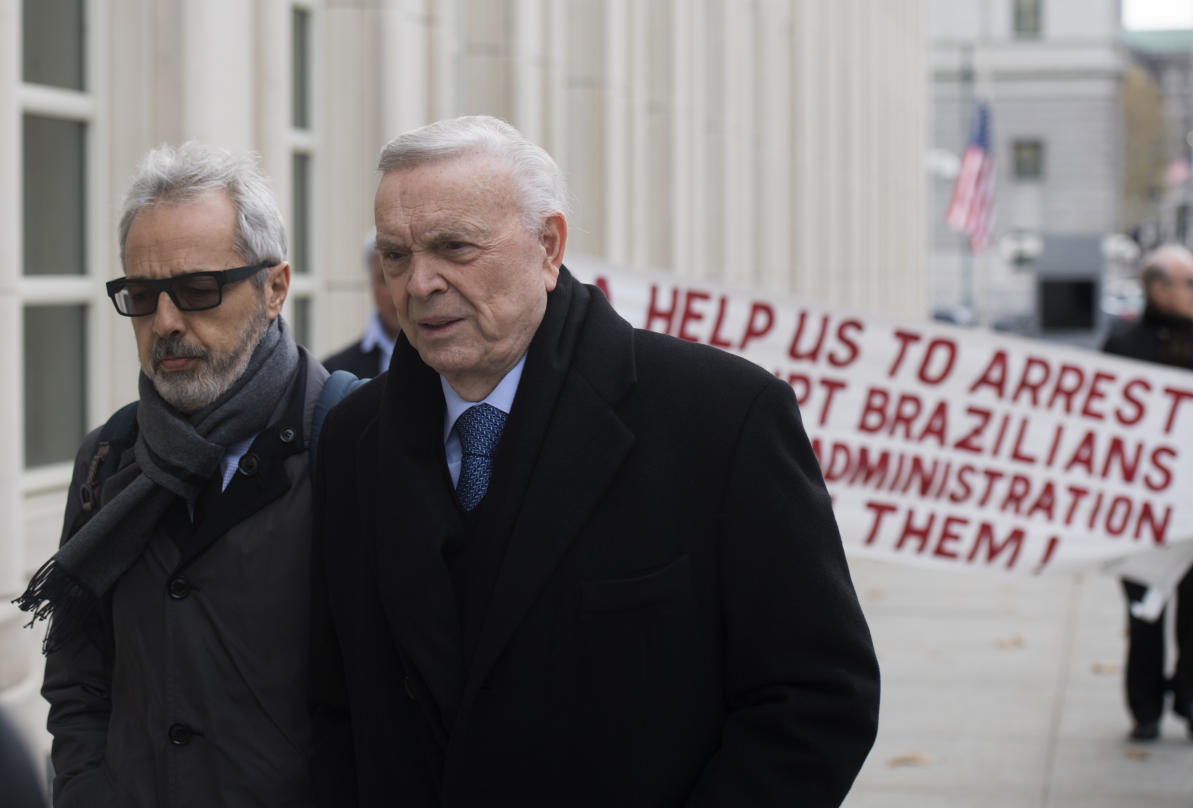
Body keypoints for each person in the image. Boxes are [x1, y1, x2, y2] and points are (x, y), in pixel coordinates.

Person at [310, 115, 881, 806]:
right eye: (396, 257)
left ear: (548, 247)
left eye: (454, 247)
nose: (419, 283)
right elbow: (335, 713)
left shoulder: (723, 418)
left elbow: (817, 700)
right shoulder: (349, 442)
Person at [15, 142, 330, 807]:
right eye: (141, 294)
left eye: (196, 290)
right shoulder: (109, 457)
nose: (164, 322)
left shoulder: (348, 438)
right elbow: (79, 679)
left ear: (275, 288)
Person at [1102, 243, 1193, 744]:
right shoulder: (1123, 344)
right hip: (1143, 512)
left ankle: (1189, 697)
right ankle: (1146, 708)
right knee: (1144, 612)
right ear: (1159, 288)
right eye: (1191, 282)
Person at [323, 229, 399, 376]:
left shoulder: (447, 363)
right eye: (384, 280)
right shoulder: (335, 372)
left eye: (403, 276)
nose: (397, 293)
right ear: (371, 286)